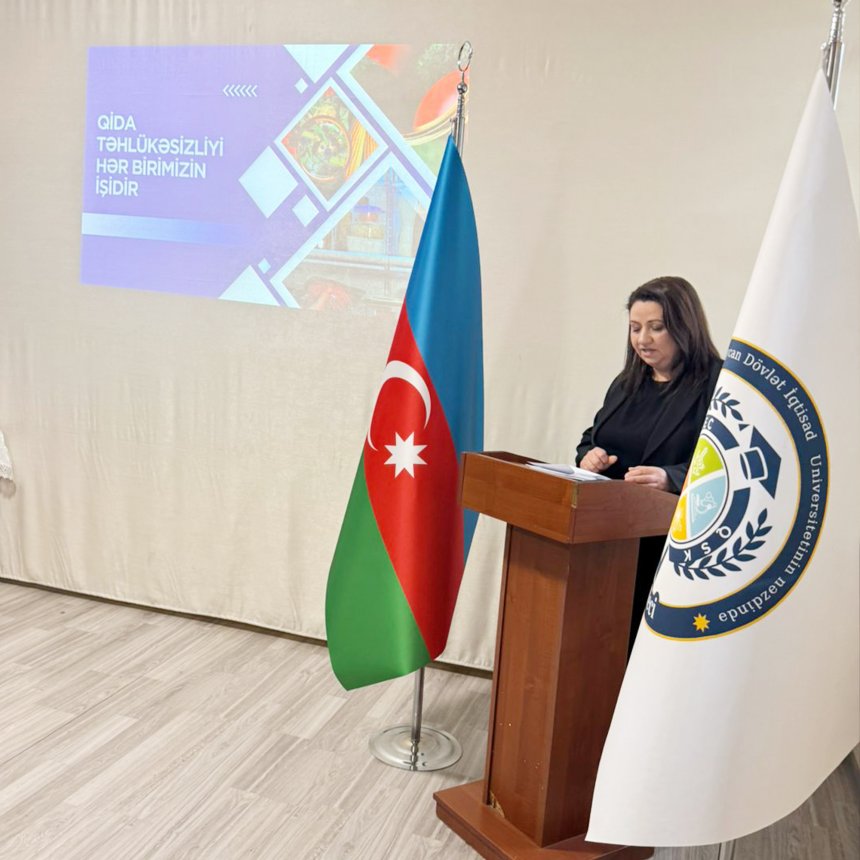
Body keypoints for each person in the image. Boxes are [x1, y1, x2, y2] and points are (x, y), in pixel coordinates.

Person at [575, 275, 722, 651]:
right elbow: (592, 438)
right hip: (609, 538)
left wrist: (672, 478)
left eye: (656, 327)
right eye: (635, 328)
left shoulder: (718, 383)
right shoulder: (627, 383)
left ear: (684, 327)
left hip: (669, 546)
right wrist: (589, 456)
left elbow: (728, 464)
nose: (642, 339)